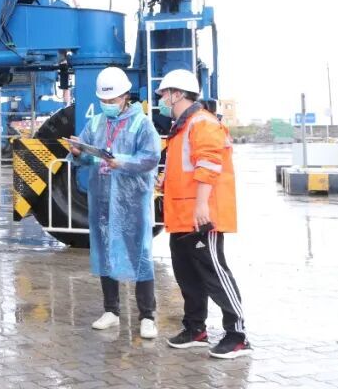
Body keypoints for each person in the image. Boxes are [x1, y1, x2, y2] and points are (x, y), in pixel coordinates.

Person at [156, 69, 252, 359]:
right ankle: (195, 328)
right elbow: (185, 169)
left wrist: (201, 206)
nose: (161, 100)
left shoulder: (202, 123)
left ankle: (237, 335)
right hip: (181, 215)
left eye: (164, 94)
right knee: (187, 275)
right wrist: (164, 181)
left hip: (201, 215)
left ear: (177, 94)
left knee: (214, 273)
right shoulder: (181, 128)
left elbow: (208, 165)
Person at [67, 67, 162, 339]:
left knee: (139, 254)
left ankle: (147, 315)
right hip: (102, 199)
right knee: (105, 251)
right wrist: (78, 152)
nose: (107, 104)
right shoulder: (95, 123)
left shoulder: (141, 124)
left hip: (132, 201)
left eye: (112, 100)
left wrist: (122, 162)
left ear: (125, 96)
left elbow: (150, 158)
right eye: (103, 100)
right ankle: (111, 310)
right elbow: (87, 157)